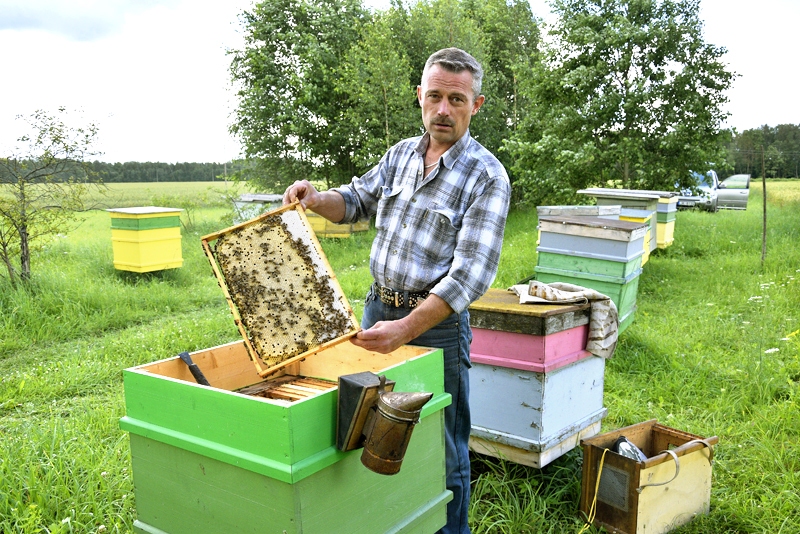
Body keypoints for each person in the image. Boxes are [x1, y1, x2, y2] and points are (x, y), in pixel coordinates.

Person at [283, 47, 510, 534]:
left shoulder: (486, 176)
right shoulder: (400, 155)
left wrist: (405, 329)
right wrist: (315, 198)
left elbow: (471, 274)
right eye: (435, 97)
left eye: (457, 98)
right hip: (376, 311)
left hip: (434, 328)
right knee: (366, 433)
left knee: (440, 447)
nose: (443, 109)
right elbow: (356, 200)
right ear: (420, 97)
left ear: (477, 104)